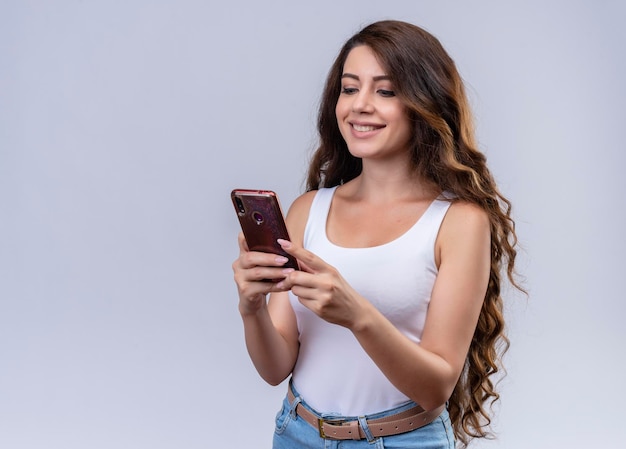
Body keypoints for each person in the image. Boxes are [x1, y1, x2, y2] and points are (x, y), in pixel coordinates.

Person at [232, 19, 523, 449]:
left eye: (385, 91)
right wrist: (251, 307)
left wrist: (357, 314)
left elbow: (436, 387)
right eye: (350, 89)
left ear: (424, 103)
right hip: (297, 434)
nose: (360, 105)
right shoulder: (308, 210)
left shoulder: (459, 222)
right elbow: (276, 368)